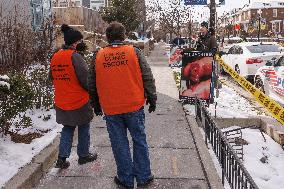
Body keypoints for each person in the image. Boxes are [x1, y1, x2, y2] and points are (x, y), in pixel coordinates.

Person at [89, 21, 157, 189]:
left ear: (107, 37)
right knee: (139, 140)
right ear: (124, 35)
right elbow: (147, 76)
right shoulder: (134, 52)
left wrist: (96, 104)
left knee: (119, 143)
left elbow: (92, 83)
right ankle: (144, 176)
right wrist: (152, 97)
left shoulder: (98, 56)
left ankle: (125, 179)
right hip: (134, 105)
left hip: (111, 108)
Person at [50, 24, 97, 169]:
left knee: (68, 128)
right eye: (79, 41)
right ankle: (83, 155)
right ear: (75, 42)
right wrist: (93, 94)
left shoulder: (55, 56)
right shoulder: (75, 57)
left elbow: (51, 77)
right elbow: (85, 80)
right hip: (79, 101)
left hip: (62, 100)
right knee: (83, 126)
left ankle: (62, 158)